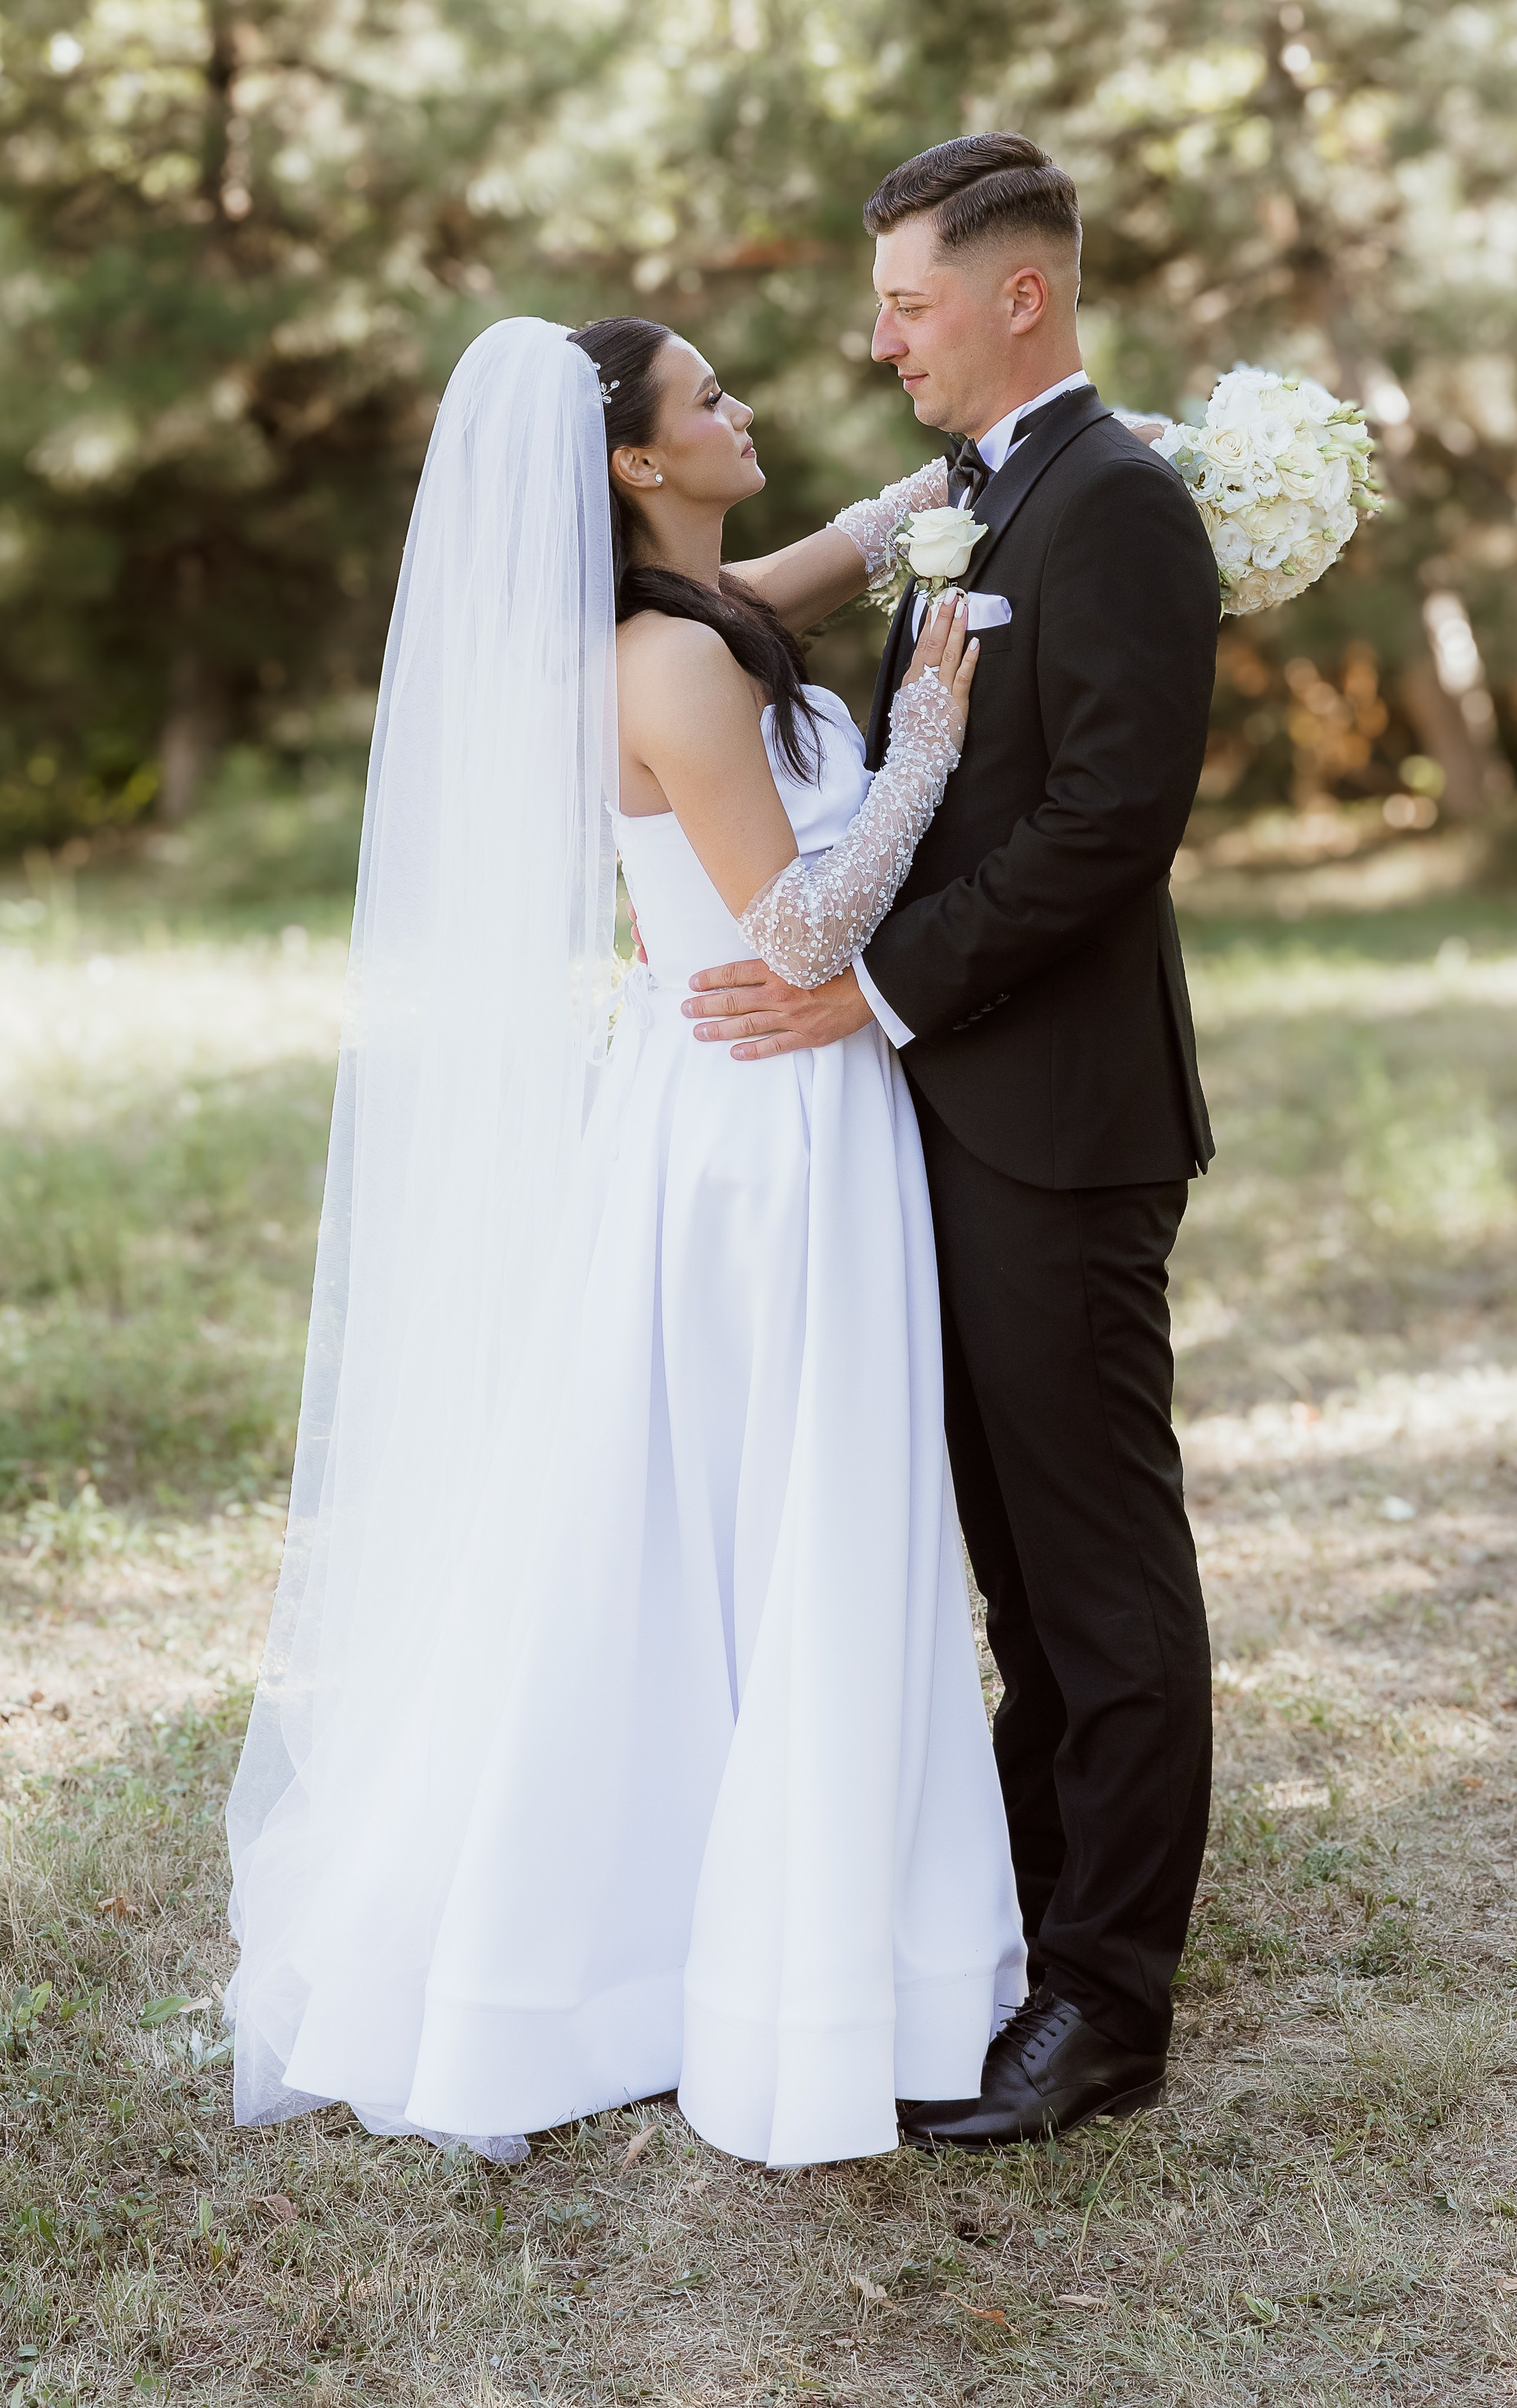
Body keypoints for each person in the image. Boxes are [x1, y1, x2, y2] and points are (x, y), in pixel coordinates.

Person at [224, 308, 1030, 2170]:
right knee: (786, 1509)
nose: (746, 409)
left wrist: (1011, 451)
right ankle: (764, 1958)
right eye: (711, 399)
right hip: (765, 1130)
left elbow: (855, 537)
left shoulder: (701, 609)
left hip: (749, 1112)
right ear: (636, 465)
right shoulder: (666, 667)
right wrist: (921, 735)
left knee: (744, 1513)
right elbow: (807, 932)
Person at [681, 134, 1222, 2148]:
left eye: (906, 298)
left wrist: (876, 987)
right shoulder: (989, 496)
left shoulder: (1124, 503)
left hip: (1063, 1116)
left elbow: (1108, 822)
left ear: (1022, 295)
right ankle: (1023, 1923)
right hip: (951, 1105)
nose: (876, 332)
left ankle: (1111, 2001)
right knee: (1003, 1545)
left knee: (1094, 1563)